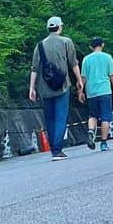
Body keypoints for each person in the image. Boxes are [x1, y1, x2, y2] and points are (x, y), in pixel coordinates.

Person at [28, 16, 82, 161]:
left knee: (50, 118)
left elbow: (34, 68)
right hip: (62, 85)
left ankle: (54, 149)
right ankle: (57, 150)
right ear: (59, 27)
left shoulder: (39, 45)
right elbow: (73, 63)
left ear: (48, 28)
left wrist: (31, 88)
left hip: (44, 88)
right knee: (60, 117)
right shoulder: (66, 42)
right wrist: (79, 80)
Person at [81, 37, 113, 151]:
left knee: (92, 116)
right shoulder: (107, 57)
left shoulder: (86, 59)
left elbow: (83, 77)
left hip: (91, 92)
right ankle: (103, 143)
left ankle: (91, 131)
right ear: (102, 44)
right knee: (105, 117)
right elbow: (112, 74)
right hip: (105, 91)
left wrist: (80, 91)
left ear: (90, 47)